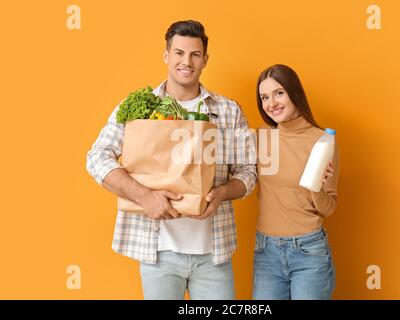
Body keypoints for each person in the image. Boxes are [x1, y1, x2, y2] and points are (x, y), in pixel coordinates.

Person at [86, 20, 256, 300]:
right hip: (157, 253)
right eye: (178, 53)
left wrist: (223, 193)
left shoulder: (228, 110)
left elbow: (249, 171)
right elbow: (96, 158)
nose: (186, 61)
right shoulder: (138, 106)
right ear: (166, 55)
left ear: (205, 60)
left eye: (195, 54)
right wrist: (145, 197)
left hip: (213, 254)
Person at [253, 64, 339, 300]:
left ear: (295, 92)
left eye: (279, 93)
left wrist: (316, 187)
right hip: (266, 251)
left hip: (308, 251)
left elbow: (329, 207)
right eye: (265, 97)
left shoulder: (322, 141)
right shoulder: (260, 138)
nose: (272, 103)